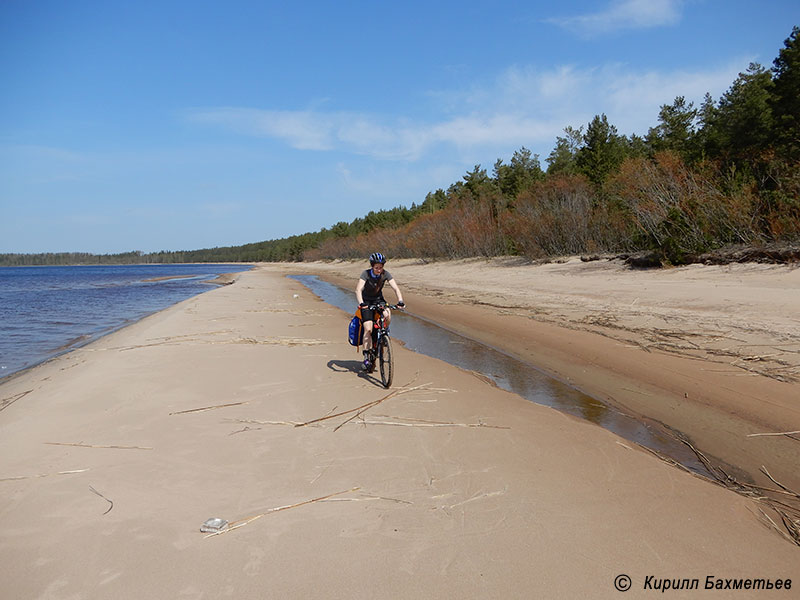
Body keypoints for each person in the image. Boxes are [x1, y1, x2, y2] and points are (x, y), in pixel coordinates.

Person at [355, 252, 405, 370]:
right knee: (368, 329)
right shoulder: (366, 274)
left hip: (379, 300)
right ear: (372, 266)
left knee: (388, 313)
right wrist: (361, 304)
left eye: (381, 267)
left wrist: (400, 301)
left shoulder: (385, 274)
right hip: (366, 302)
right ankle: (367, 356)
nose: (379, 270)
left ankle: (384, 333)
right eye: (376, 267)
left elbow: (395, 288)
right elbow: (358, 290)